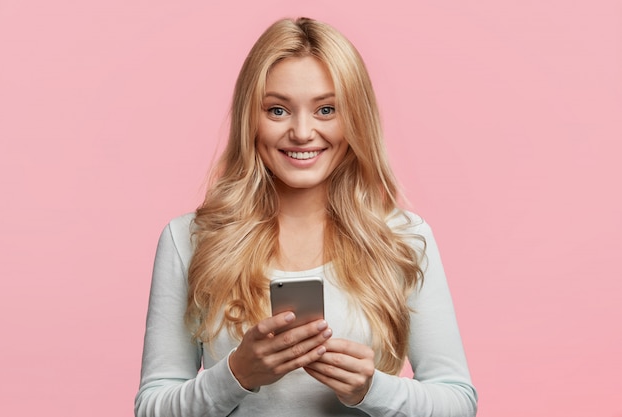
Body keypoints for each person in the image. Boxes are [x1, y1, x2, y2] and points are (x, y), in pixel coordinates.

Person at [135, 17, 477, 417]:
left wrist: (372, 389)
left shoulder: (401, 238)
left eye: (326, 109)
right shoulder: (189, 240)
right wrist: (236, 374)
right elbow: (152, 408)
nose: (301, 132)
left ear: (355, 119)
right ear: (251, 119)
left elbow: (457, 401)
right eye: (277, 110)